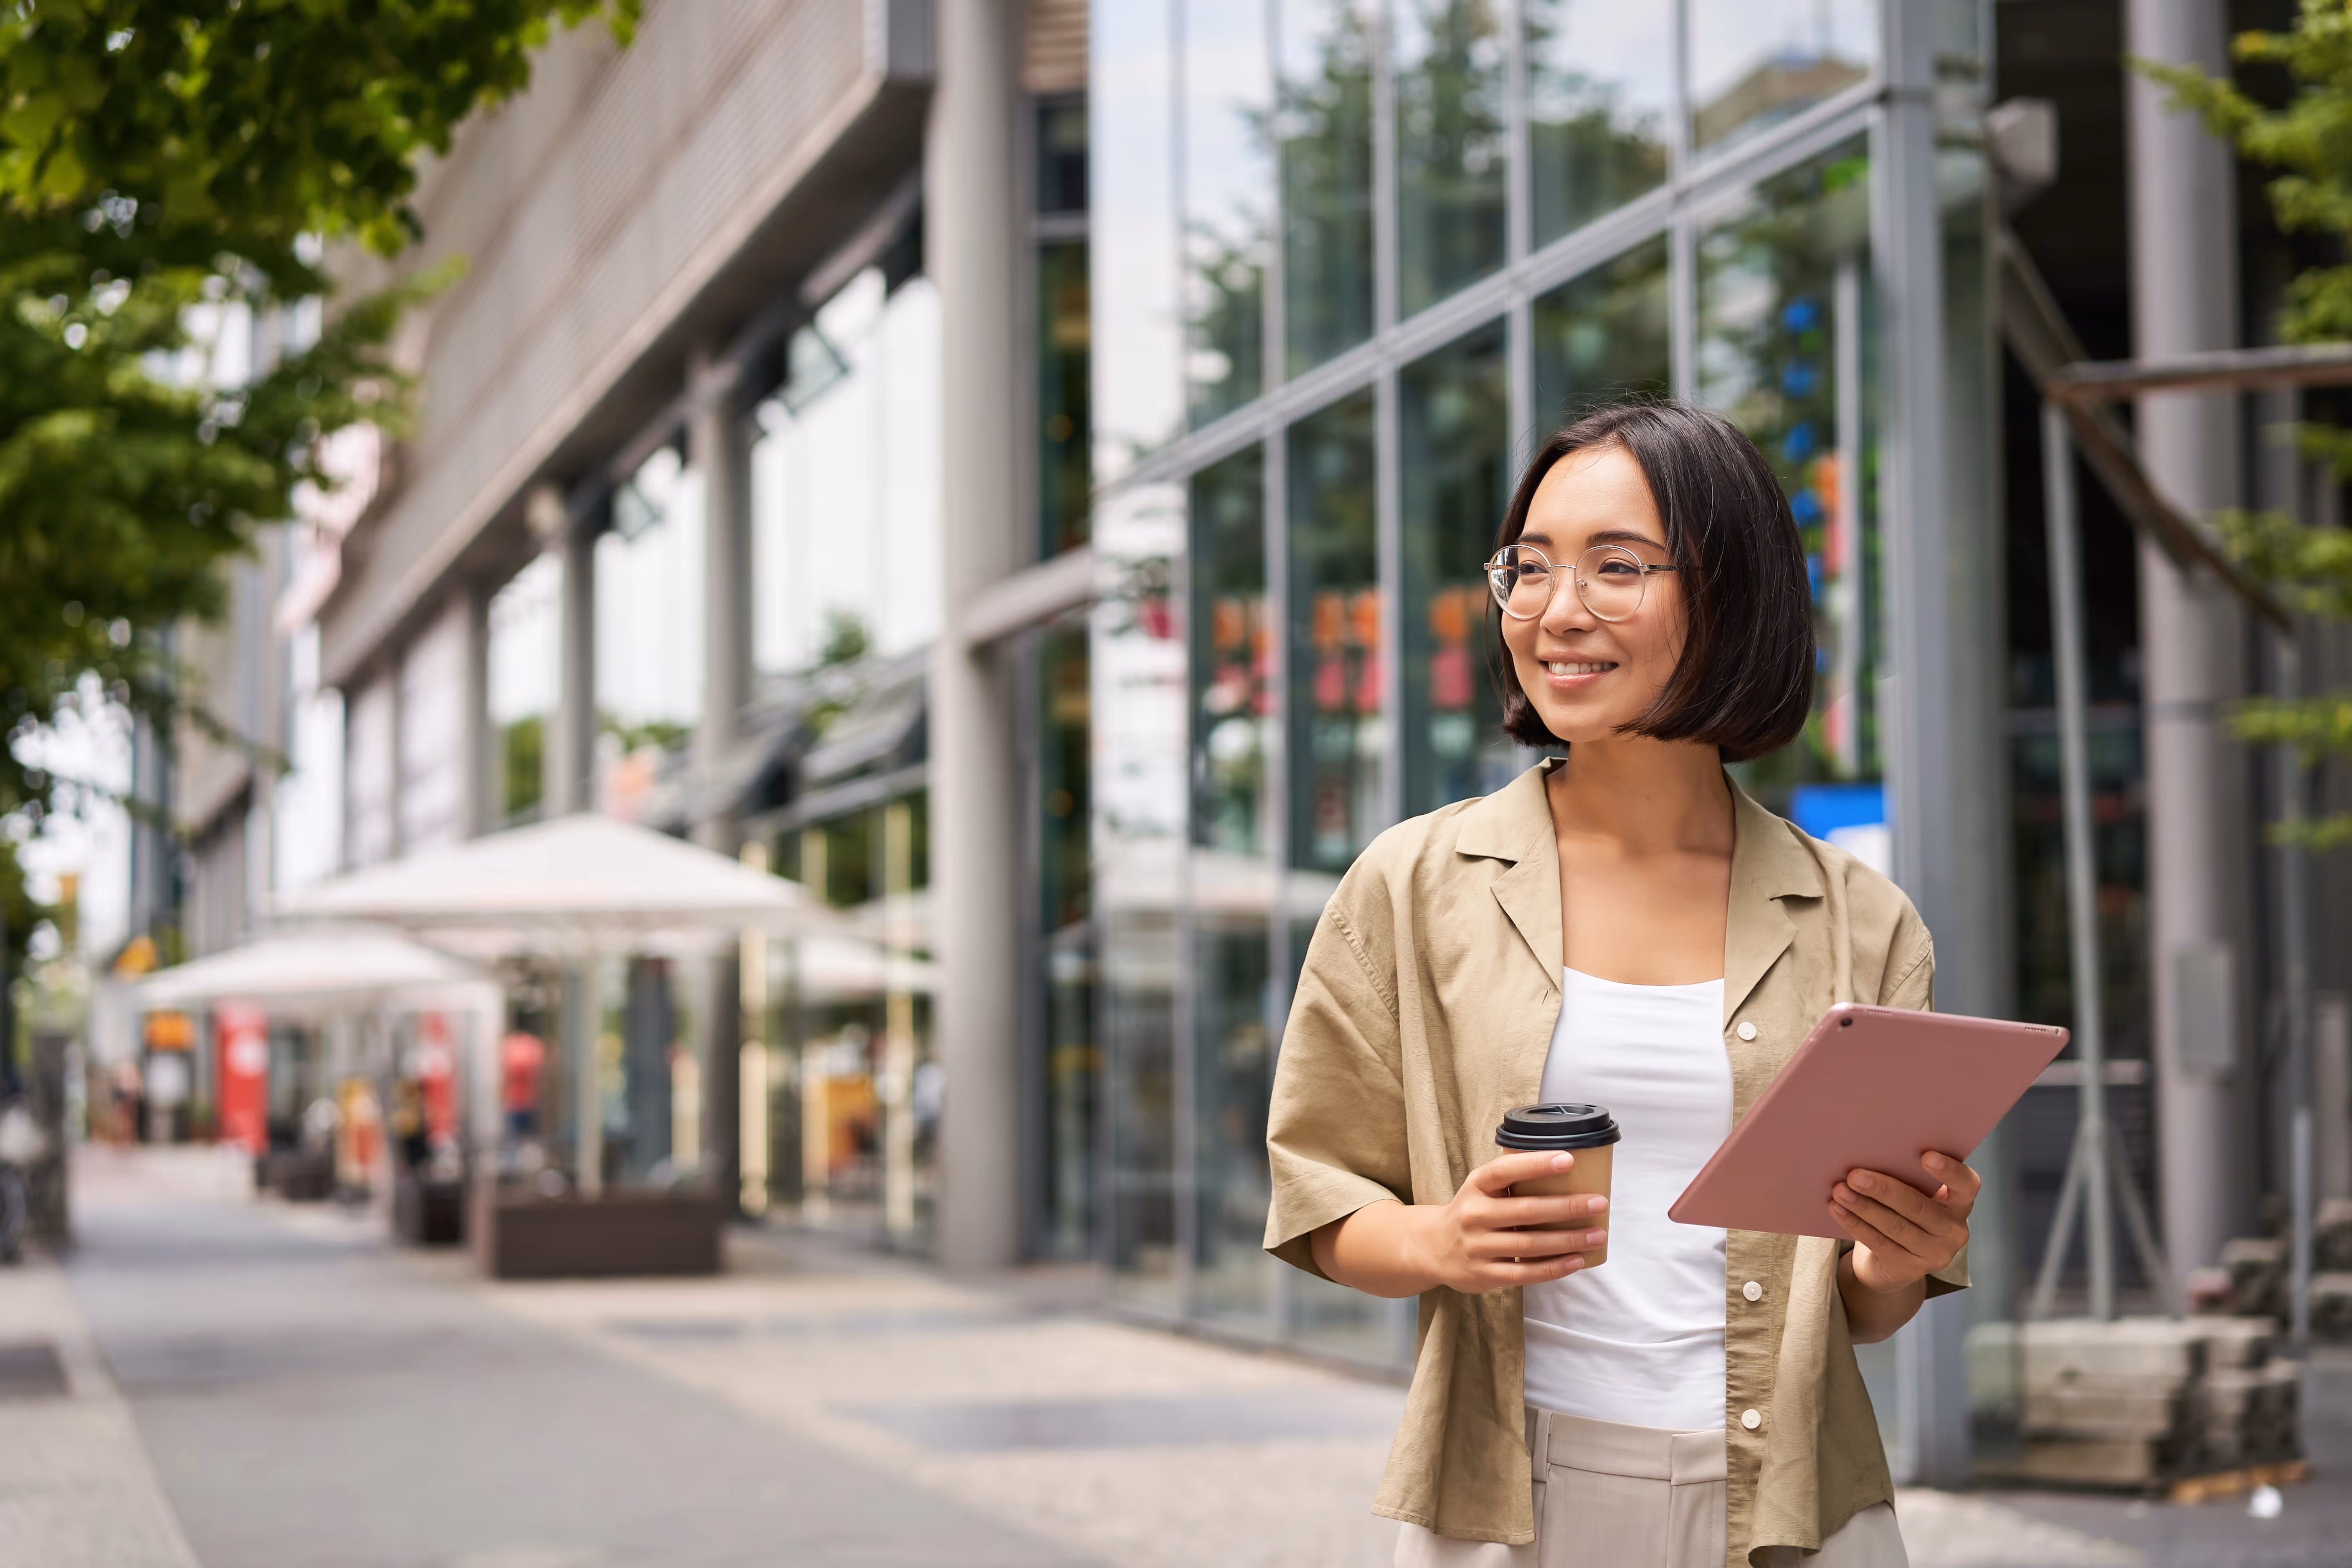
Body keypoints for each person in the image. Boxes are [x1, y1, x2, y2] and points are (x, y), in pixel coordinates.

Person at [1263, 402, 1976, 1568]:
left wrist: (1894, 1256)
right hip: (1515, 1501)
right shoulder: (1415, 884)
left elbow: (1865, 1308)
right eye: (1528, 568)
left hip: (1797, 1505)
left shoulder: (1861, 920)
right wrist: (1442, 1239)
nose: (1556, 611)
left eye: (1617, 566)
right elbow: (1319, 1193)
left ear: (1734, 594)